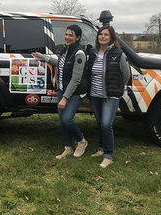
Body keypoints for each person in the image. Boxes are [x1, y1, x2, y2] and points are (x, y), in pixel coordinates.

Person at [32, 24, 88, 159]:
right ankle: (68, 147)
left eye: (71, 35)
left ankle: (81, 141)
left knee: (67, 119)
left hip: (75, 92)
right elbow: (60, 63)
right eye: (66, 34)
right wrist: (43, 57)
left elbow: (76, 79)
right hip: (62, 89)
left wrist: (65, 98)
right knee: (62, 120)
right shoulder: (66, 49)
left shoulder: (79, 53)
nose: (67, 37)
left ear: (77, 38)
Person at [87, 25, 130, 168]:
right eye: (101, 34)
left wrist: (117, 88)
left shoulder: (118, 53)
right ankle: (101, 148)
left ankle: (108, 155)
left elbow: (126, 74)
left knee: (106, 124)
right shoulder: (92, 53)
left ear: (111, 37)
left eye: (106, 34)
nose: (103, 37)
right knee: (100, 123)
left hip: (111, 95)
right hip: (95, 94)